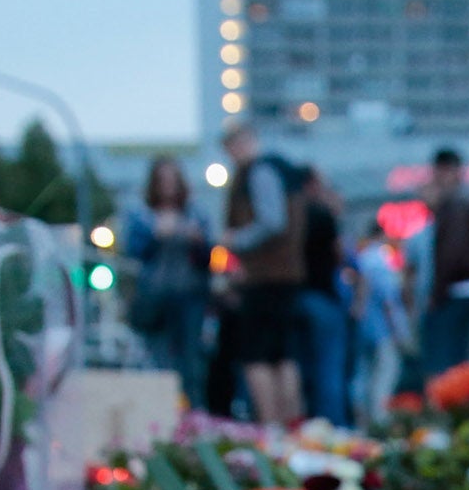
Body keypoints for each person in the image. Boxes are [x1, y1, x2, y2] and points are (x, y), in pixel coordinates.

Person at [220, 122, 306, 425]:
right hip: (284, 277)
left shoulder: (259, 173)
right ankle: (291, 427)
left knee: (258, 355)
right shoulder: (281, 170)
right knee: (282, 354)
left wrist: (236, 240)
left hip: (265, 277)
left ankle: (272, 428)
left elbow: (273, 222)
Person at [122, 156, 213, 409]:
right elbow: (132, 252)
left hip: (189, 296)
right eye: (162, 180)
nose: (168, 186)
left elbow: (209, 256)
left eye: (172, 179)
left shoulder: (196, 213)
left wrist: (196, 240)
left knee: (191, 362)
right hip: (155, 297)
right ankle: (160, 415)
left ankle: (195, 416)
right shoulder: (141, 215)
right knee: (159, 361)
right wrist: (155, 235)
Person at [417, 148, 469, 381]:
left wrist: (436, 295)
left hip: (456, 292)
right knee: (459, 359)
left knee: (444, 364)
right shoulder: (463, 204)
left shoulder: (455, 206)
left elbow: (450, 257)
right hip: (467, 290)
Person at [293, 168, 351, 426]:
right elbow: (339, 255)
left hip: (296, 299)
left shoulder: (290, 218)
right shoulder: (320, 214)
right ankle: (333, 430)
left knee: (306, 371)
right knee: (330, 370)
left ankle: (310, 427)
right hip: (324, 298)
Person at [352, 224, 408, 423]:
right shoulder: (379, 260)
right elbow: (388, 300)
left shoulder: (361, 258)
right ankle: (380, 419)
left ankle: (363, 418)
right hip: (382, 329)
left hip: (363, 328)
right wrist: (398, 331)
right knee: (386, 373)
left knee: (364, 375)